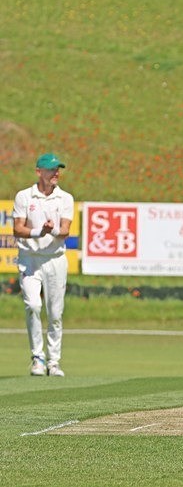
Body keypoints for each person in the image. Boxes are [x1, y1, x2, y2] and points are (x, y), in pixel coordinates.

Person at [12, 153, 75, 377]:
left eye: (58, 169)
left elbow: (65, 230)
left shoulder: (65, 198)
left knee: (55, 313)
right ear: (39, 172)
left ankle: (53, 362)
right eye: (51, 169)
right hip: (30, 258)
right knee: (33, 306)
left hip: (55, 259)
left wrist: (52, 230)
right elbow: (17, 228)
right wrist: (40, 231)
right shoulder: (24, 196)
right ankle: (37, 358)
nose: (56, 173)